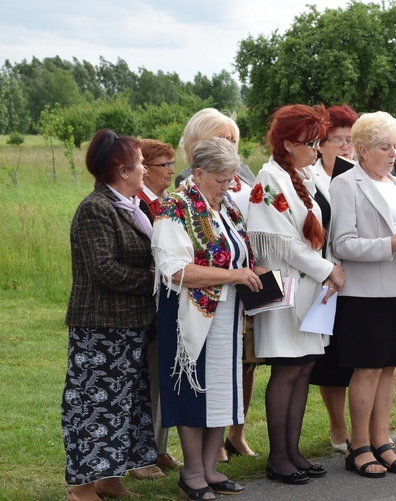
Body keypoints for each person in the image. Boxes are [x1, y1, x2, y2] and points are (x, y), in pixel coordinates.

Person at [329, 111, 396, 478]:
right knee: (368, 368)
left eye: (394, 146)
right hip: (363, 292)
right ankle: (358, 446)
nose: (393, 153)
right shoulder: (347, 184)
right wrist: (392, 243)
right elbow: (342, 244)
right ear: (360, 150)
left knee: (389, 366)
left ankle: (383, 441)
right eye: (383, 147)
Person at [152, 137, 258, 499]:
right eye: (221, 180)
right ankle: (191, 474)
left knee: (222, 391)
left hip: (227, 313)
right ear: (198, 173)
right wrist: (233, 276)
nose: (228, 187)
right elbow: (173, 269)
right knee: (193, 391)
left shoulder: (225, 205)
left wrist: (252, 274)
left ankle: (210, 468)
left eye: (231, 180)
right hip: (190, 315)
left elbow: (237, 251)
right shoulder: (175, 207)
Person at [246, 104, 346, 485]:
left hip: (313, 290)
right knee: (287, 370)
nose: (316, 149)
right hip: (288, 289)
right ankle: (278, 457)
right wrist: (327, 269)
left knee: (304, 369)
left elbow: (324, 229)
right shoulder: (269, 178)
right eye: (310, 143)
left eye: (319, 141)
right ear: (287, 143)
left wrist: (330, 269)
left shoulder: (306, 174)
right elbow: (282, 244)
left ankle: (294, 451)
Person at [62, 129, 157, 501]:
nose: (145, 171)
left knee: (126, 406)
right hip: (101, 328)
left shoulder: (129, 206)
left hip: (130, 326)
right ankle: (82, 488)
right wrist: (157, 281)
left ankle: (110, 479)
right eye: (140, 164)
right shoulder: (95, 209)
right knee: (93, 407)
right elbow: (104, 269)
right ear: (122, 169)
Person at [176, 108, 259, 460]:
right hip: (210, 293)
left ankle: (234, 434)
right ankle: (208, 450)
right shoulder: (186, 183)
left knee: (246, 363)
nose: (228, 145)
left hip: (243, 284)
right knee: (213, 369)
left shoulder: (245, 172)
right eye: (220, 139)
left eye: (232, 140)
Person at [130, 139, 183, 479]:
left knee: (163, 378)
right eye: (165, 165)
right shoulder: (140, 206)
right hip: (145, 304)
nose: (171, 171)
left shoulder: (167, 203)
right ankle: (142, 455)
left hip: (168, 301)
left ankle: (159, 448)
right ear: (145, 169)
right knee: (146, 380)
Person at [308, 104, 358, 453]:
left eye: (350, 140)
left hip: (360, 276)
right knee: (331, 358)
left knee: (360, 355)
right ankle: (338, 428)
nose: (344, 147)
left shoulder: (361, 174)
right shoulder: (310, 179)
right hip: (324, 277)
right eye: (336, 140)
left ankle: (365, 427)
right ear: (320, 144)